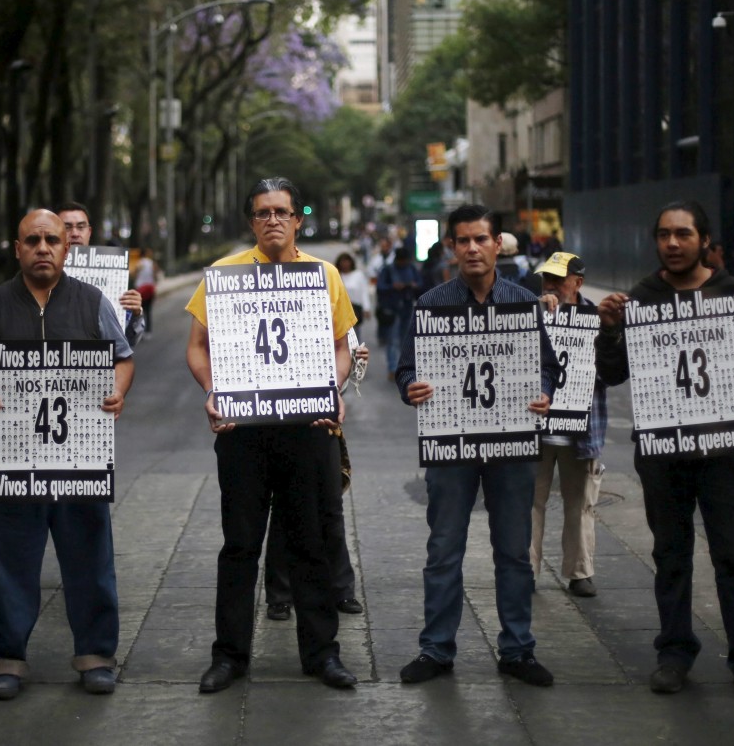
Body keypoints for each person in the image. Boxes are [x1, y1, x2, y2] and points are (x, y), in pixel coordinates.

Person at [595, 200, 734, 700]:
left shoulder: (732, 292)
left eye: (683, 234)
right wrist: (610, 329)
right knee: (671, 555)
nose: (673, 243)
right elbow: (613, 374)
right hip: (664, 456)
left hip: (724, 453)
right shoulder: (642, 296)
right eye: (664, 235)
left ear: (705, 240)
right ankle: (674, 653)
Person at [0, 209, 135, 701]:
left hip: (82, 459)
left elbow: (123, 358)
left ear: (66, 247)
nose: (43, 248)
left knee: (90, 557)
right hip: (13, 460)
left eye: (52, 239)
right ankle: (7, 657)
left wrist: (116, 392)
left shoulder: (92, 302)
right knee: (9, 559)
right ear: (17, 248)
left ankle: (96, 654)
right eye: (32, 240)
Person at [185, 176, 358, 692]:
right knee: (239, 544)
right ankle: (230, 656)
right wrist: (212, 390)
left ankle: (322, 654)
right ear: (251, 221)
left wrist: (336, 385)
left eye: (282, 211)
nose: (273, 220)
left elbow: (343, 346)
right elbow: (196, 346)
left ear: (298, 219)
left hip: (308, 428)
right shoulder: (222, 275)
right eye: (262, 213)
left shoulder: (322, 275)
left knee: (311, 543)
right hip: (243, 431)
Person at [394, 203, 558, 687]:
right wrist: (411, 387)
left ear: (497, 243)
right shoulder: (429, 305)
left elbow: (547, 365)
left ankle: (518, 649)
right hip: (451, 446)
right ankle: (436, 650)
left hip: (511, 445)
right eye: (462, 241)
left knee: (513, 550)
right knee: (444, 548)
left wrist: (544, 389)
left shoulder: (523, 303)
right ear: (450, 248)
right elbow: (406, 368)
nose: (471, 248)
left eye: (480, 239)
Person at [263, 339, 369, 620]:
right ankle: (280, 595)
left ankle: (341, 588)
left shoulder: (334, 300)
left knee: (330, 506)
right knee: (283, 506)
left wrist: (358, 358)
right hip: (276, 417)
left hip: (321, 420)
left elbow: (346, 355)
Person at [529, 252, 607, 598]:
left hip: (582, 430)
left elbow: (612, 371)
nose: (551, 286)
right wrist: (535, 313)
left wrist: (611, 333)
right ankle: (525, 571)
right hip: (536, 425)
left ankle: (580, 571)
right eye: (547, 278)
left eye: (559, 279)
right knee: (529, 502)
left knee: (581, 503)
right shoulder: (529, 312)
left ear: (578, 282)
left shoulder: (597, 317)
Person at [57, 201, 146, 346]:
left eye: (81, 227)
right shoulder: (41, 274)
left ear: (89, 232)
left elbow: (127, 343)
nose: (74, 233)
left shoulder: (113, 273)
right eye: (67, 227)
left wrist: (136, 314)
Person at [377, 242, 422, 378]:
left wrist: (413, 285)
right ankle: (392, 367)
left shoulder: (412, 268)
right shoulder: (388, 269)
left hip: (407, 306)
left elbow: (420, 282)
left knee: (405, 338)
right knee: (393, 339)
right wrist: (393, 286)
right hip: (393, 307)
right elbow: (380, 286)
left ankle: (404, 367)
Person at [335, 252, 370, 340]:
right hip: (340, 309)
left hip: (355, 308)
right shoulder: (336, 275)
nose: (345, 264)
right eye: (343, 262)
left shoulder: (358, 275)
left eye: (347, 262)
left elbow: (364, 291)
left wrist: (366, 308)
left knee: (355, 334)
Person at [133, 248, 158, 336]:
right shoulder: (151, 263)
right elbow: (155, 275)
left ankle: (141, 330)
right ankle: (148, 331)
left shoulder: (138, 263)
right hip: (150, 288)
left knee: (141, 311)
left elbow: (134, 275)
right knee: (148, 310)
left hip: (140, 289)